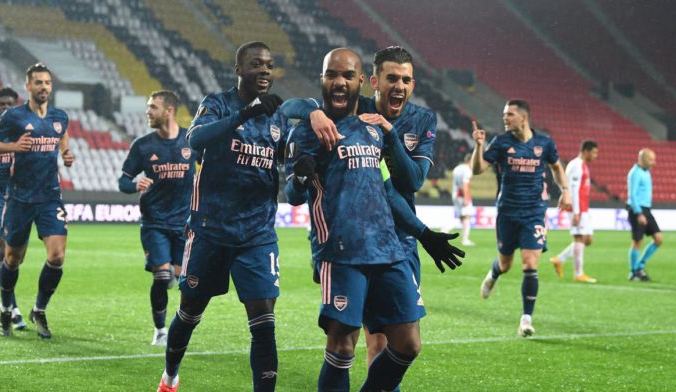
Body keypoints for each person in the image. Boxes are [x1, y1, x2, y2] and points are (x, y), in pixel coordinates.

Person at [280, 46, 443, 379]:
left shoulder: (415, 121)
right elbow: (290, 108)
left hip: (398, 244)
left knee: (406, 342)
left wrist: (423, 233)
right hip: (346, 245)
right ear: (374, 83)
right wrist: (313, 112)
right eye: (391, 78)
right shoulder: (349, 113)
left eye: (406, 80)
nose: (399, 86)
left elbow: (402, 184)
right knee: (364, 343)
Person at [157, 42, 288, 392]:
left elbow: (288, 163)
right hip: (211, 231)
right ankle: (170, 375)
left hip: (257, 235)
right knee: (190, 312)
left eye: (269, 65)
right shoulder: (217, 103)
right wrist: (245, 114)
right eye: (256, 64)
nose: (264, 70)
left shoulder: (278, 115)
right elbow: (195, 138)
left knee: (264, 322)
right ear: (239, 70)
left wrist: (301, 170)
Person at [472, 100, 571, 337]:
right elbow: (477, 169)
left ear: (523, 118)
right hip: (507, 212)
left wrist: (565, 190)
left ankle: (526, 319)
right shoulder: (501, 142)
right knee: (506, 264)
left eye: (510, 114)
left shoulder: (544, 143)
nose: (505, 118)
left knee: (530, 263)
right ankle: (494, 273)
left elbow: (557, 167)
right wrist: (478, 146)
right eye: (504, 114)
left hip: (534, 212)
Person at [0, 63, 74, 338]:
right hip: (20, 198)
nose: (43, 87)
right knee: (13, 259)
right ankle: (5, 307)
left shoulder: (59, 116)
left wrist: (66, 152)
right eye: (38, 82)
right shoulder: (14, 116)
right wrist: (13, 147)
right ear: (28, 87)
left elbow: (61, 133)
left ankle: (39, 310)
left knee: (57, 256)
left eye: (47, 83)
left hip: (50, 196)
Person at [119, 90, 196, 346]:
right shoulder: (142, 145)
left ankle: (171, 285)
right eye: (147, 107)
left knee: (177, 277)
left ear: (169, 110)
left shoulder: (191, 140)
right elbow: (123, 181)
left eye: (153, 107)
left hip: (184, 225)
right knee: (162, 277)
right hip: (154, 223)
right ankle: (160, 330)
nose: (147, 112)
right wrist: (134, 184)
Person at [0, 87, 27, 331]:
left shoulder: (22, 135)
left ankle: (9, 305)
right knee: (2, 246)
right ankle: (11, 308)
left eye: (9, 104)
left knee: (10, 256)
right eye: (0, 104)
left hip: (12, 198)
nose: (4, 107)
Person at [549, 140, 598, 283]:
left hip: (583, 208)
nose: (595, 156)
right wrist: (576, 211)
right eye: (594, 152)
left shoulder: (582, 165)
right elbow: (574, 190)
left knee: (587, 239)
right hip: (577, 208)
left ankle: (560, 259)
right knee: (579, 238)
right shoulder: (577, 166)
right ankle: (579, 274)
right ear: (586, 151)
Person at [626, 148, 661, 282]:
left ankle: (639, 266)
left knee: (658, 239)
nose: (654, 163)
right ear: (642, 159)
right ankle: (634, 272)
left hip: (646, 209)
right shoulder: (635, 173)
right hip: (637, 210)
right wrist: (639, 213)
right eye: (651, 159)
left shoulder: (646, 172)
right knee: (637, 242)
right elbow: (632, 195)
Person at [452, 153, 475, 246]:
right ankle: (465, 239)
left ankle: (444, 229)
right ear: (470, 160)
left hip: (455, 194)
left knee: (461, 217)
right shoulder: (468, 170)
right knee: (467, 217)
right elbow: (465, 184)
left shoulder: (457, 168)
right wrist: (467, 198)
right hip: (462, 195)